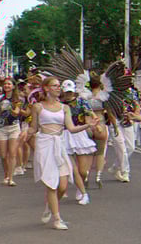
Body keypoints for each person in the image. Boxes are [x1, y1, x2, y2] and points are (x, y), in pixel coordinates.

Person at [29, 76, 98, 229]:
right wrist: (25, 134)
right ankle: (57, 219)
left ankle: (50, 206)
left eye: (58, 86)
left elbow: (72, 128)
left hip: (59, 145)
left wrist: (88, 125)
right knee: (52, 185)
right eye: (54, 86)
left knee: (63, 186)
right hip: (45, 144)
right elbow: (33, 127)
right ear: (46, 88)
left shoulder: (64, 108)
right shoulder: (38, 107)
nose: (58, 88)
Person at [60, 80, 96, 206]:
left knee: (82, 170)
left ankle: (79, 185)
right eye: (66, 92)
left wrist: (93, 121)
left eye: (70, 92)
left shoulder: (81, 101)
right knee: (72, 168)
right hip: (65, 134)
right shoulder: (60, 103)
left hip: (80, 132)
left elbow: (89, 113)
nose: (68, 94)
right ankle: (82, 191)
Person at [0, 77, 25, 186]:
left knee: (12, 153)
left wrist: (9, 107)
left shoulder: (18, 99)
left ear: (13, 86)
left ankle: (11, 178)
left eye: (9, 84)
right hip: (2, 127)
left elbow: (16, 113)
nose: (7, 86)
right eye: (5, 84)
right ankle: (6, 174)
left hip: (14, 127)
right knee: (3, 155)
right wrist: (1, 109)